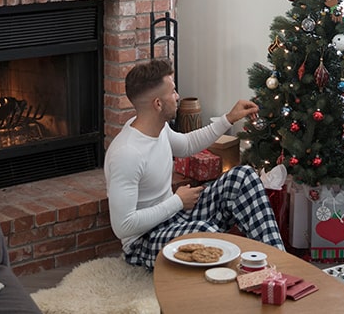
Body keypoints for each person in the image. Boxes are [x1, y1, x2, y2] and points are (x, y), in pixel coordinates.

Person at [105, 58, 285, 269]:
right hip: (143, 241)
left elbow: (187, 144)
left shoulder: (158, 128)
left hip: (174, 216)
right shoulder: (127, 153)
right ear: (158, 104)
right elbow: (123, 227)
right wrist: (177, 202)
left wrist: (228, 119)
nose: (178, 96)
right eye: (172, 92)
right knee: (207, 237)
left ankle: (280, 265)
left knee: (243, 176)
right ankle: (248, 280)